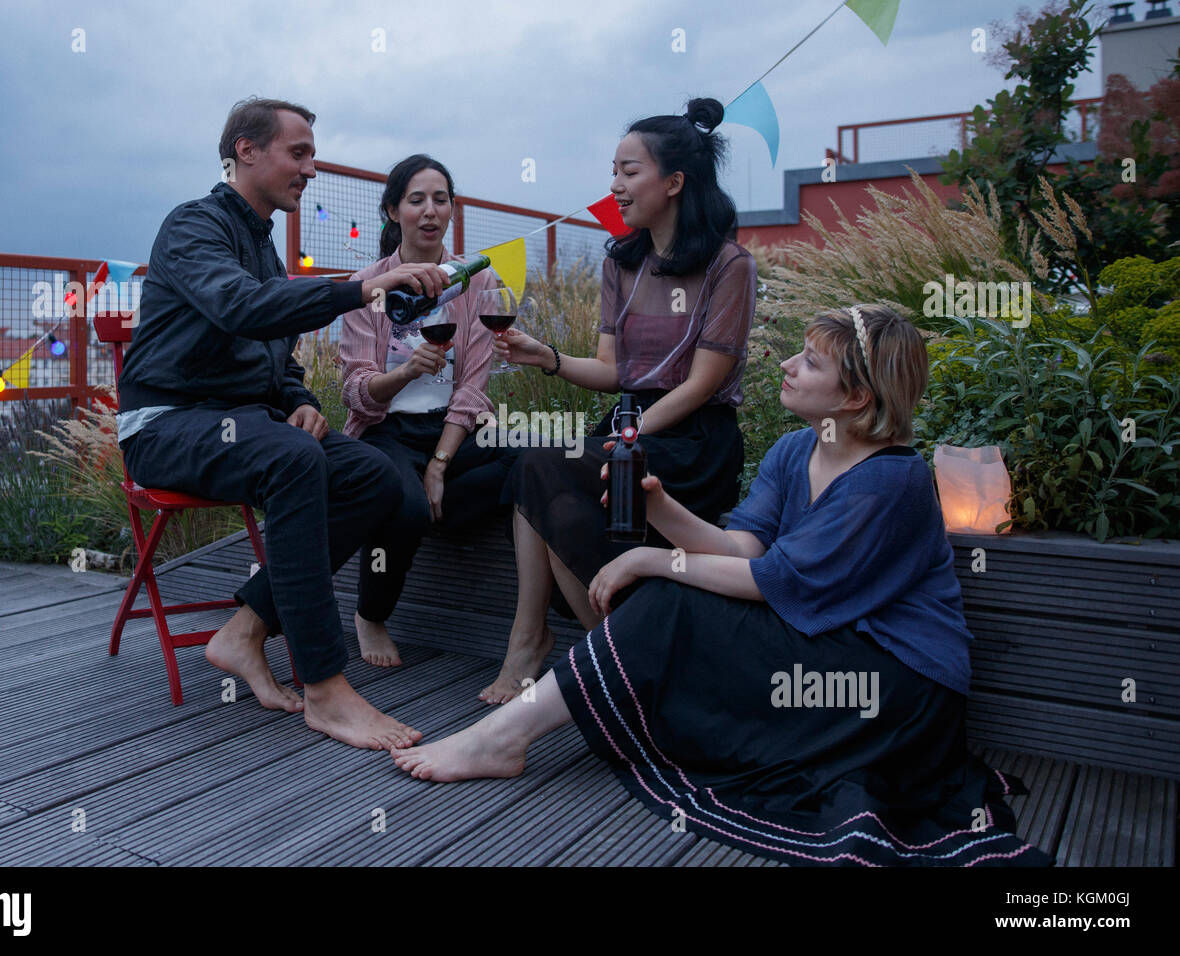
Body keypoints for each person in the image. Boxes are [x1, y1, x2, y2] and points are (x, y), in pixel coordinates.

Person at [391, 304, 1051, 867]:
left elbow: (771, 582)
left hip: (893, 679)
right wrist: (658, 508)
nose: (789, 365)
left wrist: (654, 559)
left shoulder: (892, 480)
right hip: (818, 641)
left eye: (811, 363)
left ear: (855, 397)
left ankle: (504, 738)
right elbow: (741, 545)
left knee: (670, 593)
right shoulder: (797, 450)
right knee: (672, 595)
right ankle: (513, 734)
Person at [117, 97, 450, 750]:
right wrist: (364, 286)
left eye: (312, 156)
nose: (311, 169)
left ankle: (243, 631)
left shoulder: (266, 250)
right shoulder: (193, 226)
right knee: (293, 458)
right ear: (246, 151)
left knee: (372, 475)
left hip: (243, 425)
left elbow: (277, 356)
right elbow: (240, 307)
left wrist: (301, 400)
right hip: (165, 427)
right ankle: (326, 690)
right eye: (299, 153)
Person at [478, 97, 756, 703]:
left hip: (692, 438)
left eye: (630, 172)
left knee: (553, 470)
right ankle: (577, 650)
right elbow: (610, 371)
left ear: (675, 182)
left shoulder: (729, 265)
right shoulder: (621, 262)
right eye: (614, 170)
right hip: (631, 421)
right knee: (533, 466)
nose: (615, 186)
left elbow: (702, 383)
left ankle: (597, 662)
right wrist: (545, 356)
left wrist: (627, 440)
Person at [338, 154, 518, 667]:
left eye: (441, 199)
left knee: (527, 455)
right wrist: (406, 372)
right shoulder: (370, 286)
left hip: (450, 430)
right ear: (394, 211)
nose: (430, 211)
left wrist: (439, 463)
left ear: (453, 209)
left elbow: (474, 387)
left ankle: (422, 505)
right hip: (385, 430)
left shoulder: (475, 281)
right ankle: (370, 614)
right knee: (401, 500)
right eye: (416, 200)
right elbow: (355, 391)